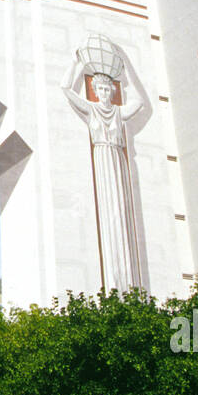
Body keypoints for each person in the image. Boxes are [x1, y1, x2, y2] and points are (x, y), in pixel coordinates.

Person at [62, 49, 145, 291]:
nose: (105, 93)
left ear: (114, 91)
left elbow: (139, 102)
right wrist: (75, 62)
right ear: (95, 91)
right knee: (108, 216)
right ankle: (113, 285)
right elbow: (66, 89)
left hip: (117, 157)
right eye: (101, 89)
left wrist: (126, 68)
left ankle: (127, 288)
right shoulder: (90, 109)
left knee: (121, 214)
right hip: (101, 156)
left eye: (109, 89)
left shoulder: (119, 112)